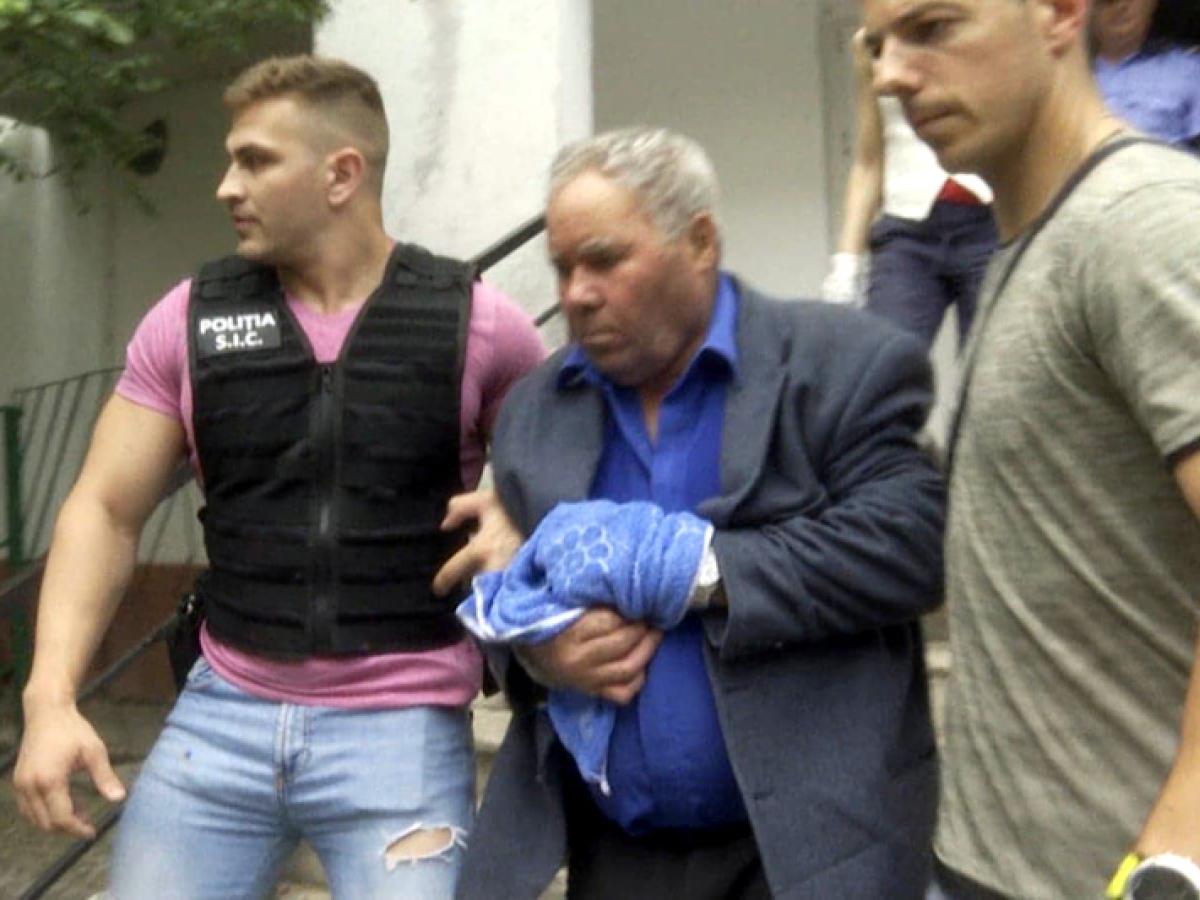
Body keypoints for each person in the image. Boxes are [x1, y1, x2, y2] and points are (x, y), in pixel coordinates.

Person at [12, 55, 544, 898]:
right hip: (220, 722)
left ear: (342, 174)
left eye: (255, 161)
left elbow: (570, 480)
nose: (227, 186)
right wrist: (50, 700)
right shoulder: (189, 319)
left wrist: (525, 507)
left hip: (401, 735)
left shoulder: (479, 324)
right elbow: (105, 510)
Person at [438, 126, 947, 899]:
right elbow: (513, 589)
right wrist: (540, 656)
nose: (575, 293)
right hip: (616, 855)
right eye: (564, 268)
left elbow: (911, 547)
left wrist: (695, 570)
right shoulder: (538, 409)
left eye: (605, 260)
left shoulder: (839, 364)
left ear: (699, 241)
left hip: (808, 858)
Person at [860, 0, 1200, 897]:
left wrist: (1178, 856)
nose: (890, 74)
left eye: (933, 28)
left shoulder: (1144, 226)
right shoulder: (1030, 243)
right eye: (878, 44)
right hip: (987, 864)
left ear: (1058, 13)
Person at [823, 28, 997, 351]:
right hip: (907, 232)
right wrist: (845, 267)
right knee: (883, 362)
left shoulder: (976, 27)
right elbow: (868, 160)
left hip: (989, 223)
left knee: (992, 365)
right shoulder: (872, 44)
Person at [1091, 0, 1200, 149]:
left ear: (1151, 4)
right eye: (1108, 1)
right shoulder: (1067, 75)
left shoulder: (1190, 71)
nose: (1121, 5)